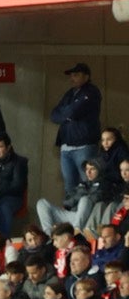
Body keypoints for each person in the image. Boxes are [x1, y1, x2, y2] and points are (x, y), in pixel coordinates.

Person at [51, 62, 102, 197]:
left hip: (84, 146)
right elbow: (54, 115)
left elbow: (73, 112)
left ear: (86, 76)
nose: (72, 78)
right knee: (69, 187)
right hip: (66, 147)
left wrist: (66, 113)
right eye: (71, 75)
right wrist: (67, 114)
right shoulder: (70, 93)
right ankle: (72, 215)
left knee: (88, 184)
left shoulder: (91, 91)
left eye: (76, 75)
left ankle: (88, 217)